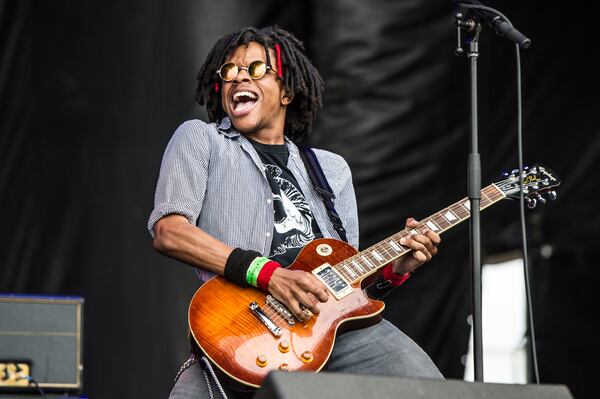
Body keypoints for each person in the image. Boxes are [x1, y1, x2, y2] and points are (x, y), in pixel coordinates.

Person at [148, 26, 443, 399]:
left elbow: (349, 284)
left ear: (287, 91)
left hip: (333, 332)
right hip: (243, 325)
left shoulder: (331, 169)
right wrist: (270, 275)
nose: (237, 76)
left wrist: (393, 271)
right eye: (229, 71)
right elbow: (170, 231)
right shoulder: (201, 139)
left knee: (430, 392)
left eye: (255, 69)